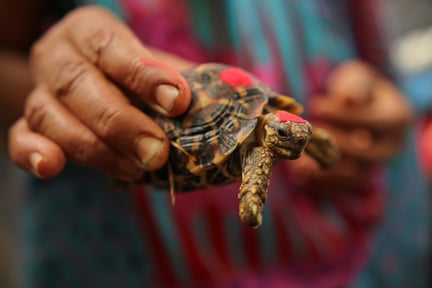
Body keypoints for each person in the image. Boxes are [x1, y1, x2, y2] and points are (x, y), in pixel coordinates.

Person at [1, 0, 427, 287]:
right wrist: (60, 79)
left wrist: (375, 105)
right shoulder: (258, 146)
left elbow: (363, 56)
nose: (296, 134)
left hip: (349, 251)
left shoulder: (277, 117)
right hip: (137, 250)